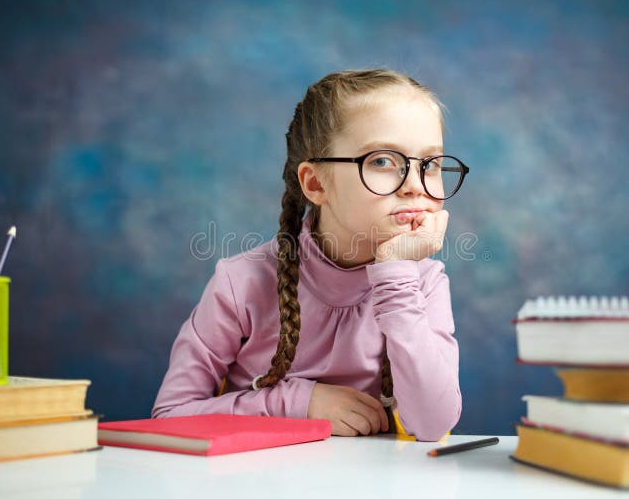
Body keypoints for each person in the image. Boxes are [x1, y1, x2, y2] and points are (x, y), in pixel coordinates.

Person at [152, 69, 468, 441]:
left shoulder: (424, 283)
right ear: (316, 184)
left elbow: (433, 425)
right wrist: (299, 403)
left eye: (430, 165)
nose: (416, 186)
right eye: (383, 161)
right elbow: (169, 416)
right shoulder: (241, 282)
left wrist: (396, 274)